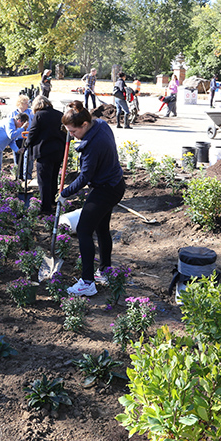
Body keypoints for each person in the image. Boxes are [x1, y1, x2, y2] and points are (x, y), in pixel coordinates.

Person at [59, 101, 125, 297]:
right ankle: (105, 271)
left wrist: (64, 193)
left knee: (83, 230)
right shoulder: (100, 124)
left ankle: (87, 282)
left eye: (73, 131)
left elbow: (84, 177)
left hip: (106, 189)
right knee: (102, 228)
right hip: (115, 183)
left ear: (85, 125)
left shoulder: (92, 146)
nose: (72, 135)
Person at [24, 96, 65, 215]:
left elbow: (33, 132)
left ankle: (46, 207)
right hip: (58, 150)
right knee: (53, 177)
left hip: (44, 151)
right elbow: (64, 132)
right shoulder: (59, 114)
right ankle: (52, 200)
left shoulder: (39, 115)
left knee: (44, 180)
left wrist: (27, 143)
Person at [0, 112, 29, 183]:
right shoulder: (9, 122)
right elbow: (11, 135)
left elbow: (11, 141)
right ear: (19, 120)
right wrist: (22, 129)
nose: (21, 126)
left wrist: (17, 150)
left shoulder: (14, 126)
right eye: (22, 124)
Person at [11, 95, 34, 180]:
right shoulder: (13, 113)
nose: (28, 105)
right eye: (26, 103)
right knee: (17, 158)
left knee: (28, 159)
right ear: (20, 104)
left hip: (28, 138)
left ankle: (27, 177)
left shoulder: (31, 112)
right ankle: (18, 177)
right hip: (17, 139)